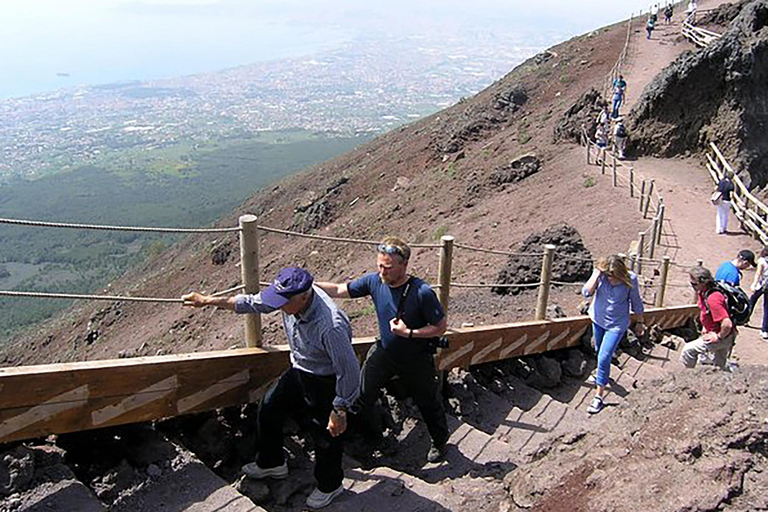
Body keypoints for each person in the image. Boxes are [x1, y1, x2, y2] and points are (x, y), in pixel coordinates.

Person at [181, 267, 360, 509]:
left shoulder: (331, 325)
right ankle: (272, 462)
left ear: (304, 297)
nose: (278, 307)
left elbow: (349, 371)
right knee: (269, 405)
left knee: (326, 435)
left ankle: (330, 485)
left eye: (283, 302)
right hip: (300, 369)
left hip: (325, 380)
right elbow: (255, 303)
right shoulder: (292, 299)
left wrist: (340, 409)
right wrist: (208, 300)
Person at [316, 236, 449, 463]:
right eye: (379, 265)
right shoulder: (375, 281)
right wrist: (308, 285)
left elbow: (440, 327)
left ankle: (439, 440)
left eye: (387, 267)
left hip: (416, 357)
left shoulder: (422, 292)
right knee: (362, 394)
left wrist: (409, 333)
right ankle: (370, 438)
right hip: (384, 352)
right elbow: (340, 289)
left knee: (428, 401)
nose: (382, 271)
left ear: (403, 265)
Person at [582, 255, 645, 415]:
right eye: (608, 275)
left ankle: (598, 397)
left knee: (604, 356)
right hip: (598, 319)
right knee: (598, 349)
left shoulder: (630, 279)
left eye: (613, 276)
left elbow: (636, 302)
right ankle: (601, 374)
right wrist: (596, 274)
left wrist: (639, 322)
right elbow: (586, 293)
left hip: (617, 324)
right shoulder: (601, 276)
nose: (610, 279)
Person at [681, 266, 736, 370]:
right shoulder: (706, 291)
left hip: (722, 335)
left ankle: (688, 376)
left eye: (694, 284)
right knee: (720, 364)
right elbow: (706, 311)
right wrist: (706, 327)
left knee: (687, 350)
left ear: (704, 282)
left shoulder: (713, 298)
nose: (692, 286)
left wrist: (719, 337)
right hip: (726, 334)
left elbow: (727, 324)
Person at [749, 247, 768, 340]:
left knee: (752, 301)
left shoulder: (762, 261)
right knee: (766, 308)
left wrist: (754, 284)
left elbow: (758, 273)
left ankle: (745, 317)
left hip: (761, 285)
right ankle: (765, 330)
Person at [715, 170, 735, 234]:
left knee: (719, 214)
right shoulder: (731, 184)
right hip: (727, 200)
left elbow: (716, 188)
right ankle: (724, 228)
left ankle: (718, 229)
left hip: (720, 199)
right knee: (725, 215)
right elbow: (731, 195)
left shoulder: (721, 181)